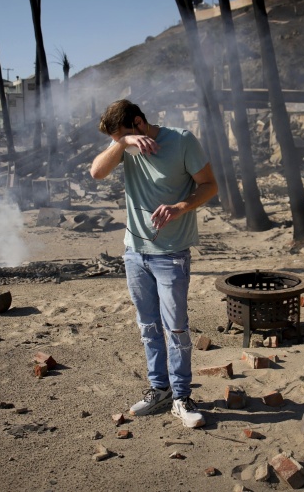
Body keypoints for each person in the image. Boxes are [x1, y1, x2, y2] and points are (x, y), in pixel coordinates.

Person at [90, 99, 218, 428]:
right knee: (148, 327)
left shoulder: (182, 141)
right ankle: (159, 391)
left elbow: (209, 185)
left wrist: (179, 207)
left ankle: (181, 397)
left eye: (124, 134)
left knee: (175, 327)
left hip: (172, 253)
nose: (119, 142)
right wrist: (123, 142)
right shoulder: (124, 147)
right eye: (115, 138)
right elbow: (96, 172)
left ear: (140, 123)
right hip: (134, 252)